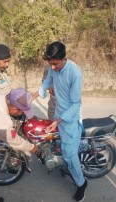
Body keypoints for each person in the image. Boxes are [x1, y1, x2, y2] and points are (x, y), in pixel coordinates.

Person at [32, 41, 87, 202]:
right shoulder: (52, 68)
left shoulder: (74, 73)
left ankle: (81, 183)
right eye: (50, 64)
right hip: (58, 115)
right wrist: (30, 98)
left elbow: (76, 103)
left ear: (64, 58)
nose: (53, 68)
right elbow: (46, 83)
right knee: (57, 145)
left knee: (70, 155)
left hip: (70, 119)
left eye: (55, 64)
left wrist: (60, 120)